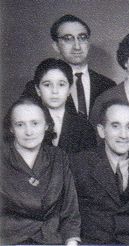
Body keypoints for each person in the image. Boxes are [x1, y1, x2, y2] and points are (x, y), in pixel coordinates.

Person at [70, 100, 129, 244]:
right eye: (115, 126)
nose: (123, 135)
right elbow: (68, 217)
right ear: (101, 131)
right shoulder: (79, 165)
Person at [1, 97, 80, 245]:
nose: (28, 132)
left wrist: (71, 242)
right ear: (11, 128)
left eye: (35, 123)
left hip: (52, 241)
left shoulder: (59, 157)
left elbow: (70, 214)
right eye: (20, 124)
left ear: (46, 125)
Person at [22, 14, 116, 118]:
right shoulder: (37, 88)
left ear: (88, 44)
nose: (77, 46)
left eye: (82, 37)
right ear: (56, 46)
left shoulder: (108, 86)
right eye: (68, 39)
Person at [34, 58, 96, 153]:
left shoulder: (84, 127)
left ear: (69, 89)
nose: (55, 91)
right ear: (38, 89)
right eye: (47, 85)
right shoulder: (28, 123)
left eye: (61, 84)